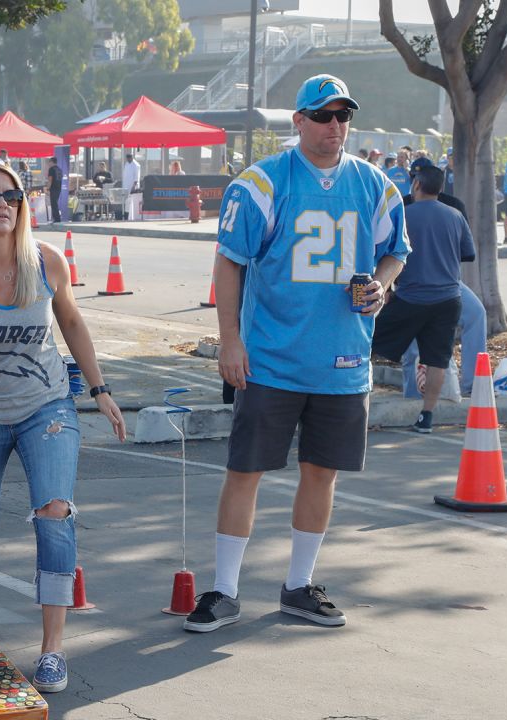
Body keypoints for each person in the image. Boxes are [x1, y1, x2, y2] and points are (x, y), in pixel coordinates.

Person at [185, 74, 408, 633]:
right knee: (245, 471)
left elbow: (395, 254)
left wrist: (382, 285)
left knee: (322, 474)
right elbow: (230, 261)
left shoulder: (376, 185)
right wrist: (230, 340)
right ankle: (224, 590)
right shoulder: (261, 183)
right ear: (299, 121)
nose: (336, 126)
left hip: (343, 361)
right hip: (271, 359)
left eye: (344, 116)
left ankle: (299, 585)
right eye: (324, 115)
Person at [0, 163, 125, 694]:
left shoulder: (47, 262)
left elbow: (73, 322)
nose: (2, 205)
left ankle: (53, 650)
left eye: (12, 196)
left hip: (48, 410)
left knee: (54, 512)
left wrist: (100, 390)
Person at [372, 165, 474, 432]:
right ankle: (426, 416)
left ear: (416, 185)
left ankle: (355, 401)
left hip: (410, 297)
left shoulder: (403, 214)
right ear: (440, 188)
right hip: (448, 298)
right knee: (437, 358)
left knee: (367, 343)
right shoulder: (455, 215)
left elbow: (385, 253)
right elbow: (467, 253)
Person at [45, 157, 63, 223]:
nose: (49, 164)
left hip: (53, 188)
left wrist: (47, 188)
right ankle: (57, 218)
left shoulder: (51, 169)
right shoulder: (59, 169)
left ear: (52, 162)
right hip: (58, 188)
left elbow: (50, 180)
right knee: (55, 203)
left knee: (53, 204)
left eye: (49, 162)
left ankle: (57, 219)